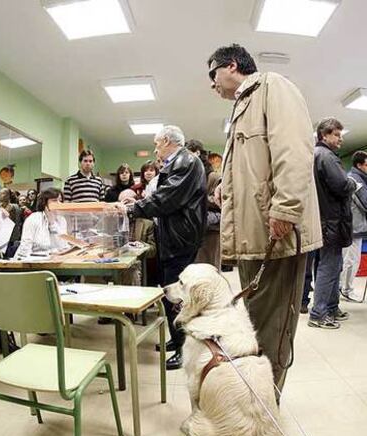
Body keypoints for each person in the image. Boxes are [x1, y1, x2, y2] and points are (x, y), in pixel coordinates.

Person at [208, 44, 322, 394]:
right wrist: (226, 189)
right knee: (256, 324)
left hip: (277, 236)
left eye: (212, 75)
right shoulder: (241, 109)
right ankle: (253, 399)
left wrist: (286, 208)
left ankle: (263, 408)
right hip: (254, 239)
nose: (211, 85)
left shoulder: (272, 86)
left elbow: (294, 148)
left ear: (230, 66)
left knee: (272, 329)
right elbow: (255, 167)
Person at [121, 125, 207, 370]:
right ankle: (177, 339)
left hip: (180, 238)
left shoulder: (185, 161)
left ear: (167, 140)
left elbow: (166, 199)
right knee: (171, 292)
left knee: (177, 295)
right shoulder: (180, 162)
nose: (155, 148)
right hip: (174, 236)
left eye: (157, 143)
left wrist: (132, 209)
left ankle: (184, 349)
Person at [308, 118, 355, 329]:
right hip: (331, 221)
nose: (340, 139)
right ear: (324, 135)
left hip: (323, 220)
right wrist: (353, 183)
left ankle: (331, 307)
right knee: (330, 266)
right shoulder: (326, 156)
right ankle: (318, 313)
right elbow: (343, 185)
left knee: (329, 265)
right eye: (336, 134)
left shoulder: (317, 155)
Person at [186, 139, 222, 269]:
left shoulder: (213, 176)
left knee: (210, 270)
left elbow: (221, 201)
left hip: (211, 231)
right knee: (195, 272)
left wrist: (199, 199)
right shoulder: (189, 176)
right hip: (193, 230)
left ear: (198, 153)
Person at [340, 151, 367, 302]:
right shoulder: (355, 179)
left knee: (349, 259)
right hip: (353, 227)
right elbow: (365, 203)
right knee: (351, 260)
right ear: (359, 165)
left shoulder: (361, 179)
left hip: (356, 226)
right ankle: (347, 290)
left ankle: (343, 288)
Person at [14, 188, 69, 259]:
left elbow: (63, 245)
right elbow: (25, 246)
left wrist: (52, 224)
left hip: (56, 261)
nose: (59, 204)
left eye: (60, 201)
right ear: (44, 203)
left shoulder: (61, 220)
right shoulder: (33, 218)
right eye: (54, 201)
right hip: (33, 262)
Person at [0, 188, 23, 258]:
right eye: (0, 193)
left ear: (8, 196)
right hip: (8, 238)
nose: (0, 195)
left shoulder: (11, 206)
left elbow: (4, 220)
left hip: (10, 239)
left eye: (3, 193)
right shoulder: (4, 206)